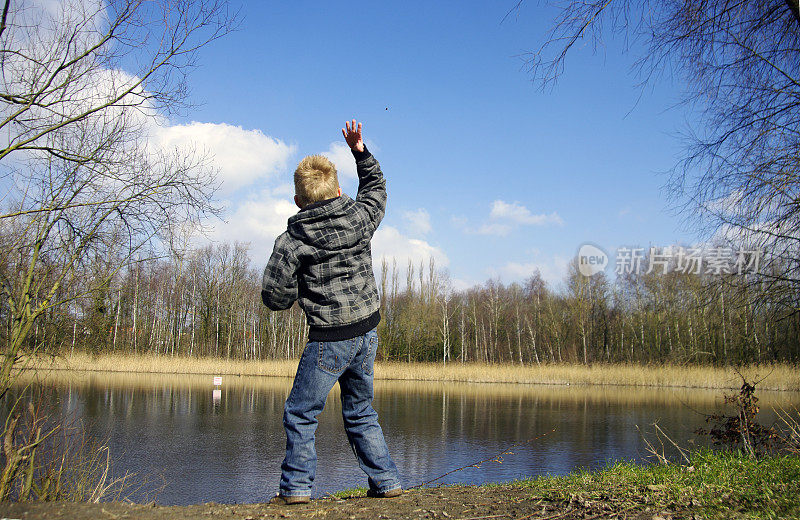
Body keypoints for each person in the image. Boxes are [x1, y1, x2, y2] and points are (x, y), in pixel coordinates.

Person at [261, 120, 402, 505]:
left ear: (297, 202)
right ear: (339, 190)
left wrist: (296, 289)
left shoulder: (290, 242)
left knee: (301, 412)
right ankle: (386, 482)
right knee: (359, 411)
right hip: (367, 332)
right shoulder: (357, 217)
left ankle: (296, 490)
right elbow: (376, 190)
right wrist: (360, 152)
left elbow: (274, 297)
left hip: (329, 339)